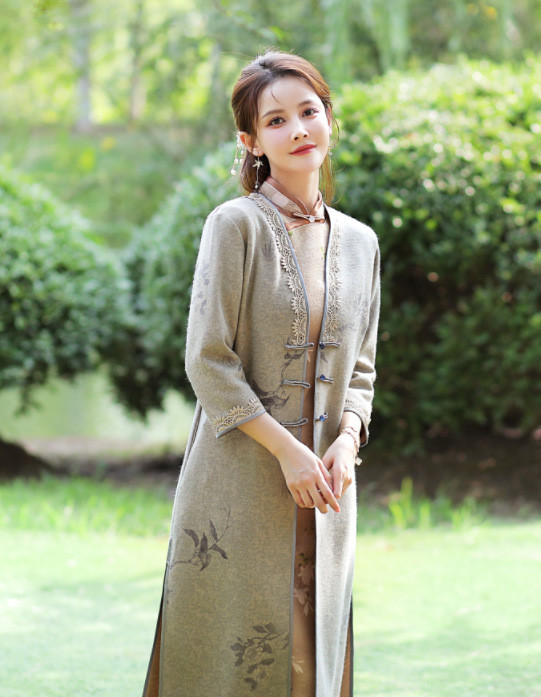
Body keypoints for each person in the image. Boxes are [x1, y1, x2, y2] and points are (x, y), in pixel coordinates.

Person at [142, 49, 381, 697]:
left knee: (312, 658)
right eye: (276, 121)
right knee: (232, 661)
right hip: (239, 483)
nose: (298, 129)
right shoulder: (234, 226)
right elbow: (207, 358)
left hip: (328, 488)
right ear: (250, 141)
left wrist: (345, 442)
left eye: (309, 111)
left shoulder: (360, 242)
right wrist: (287, 452)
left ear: (328, 118)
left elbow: (362, 366)